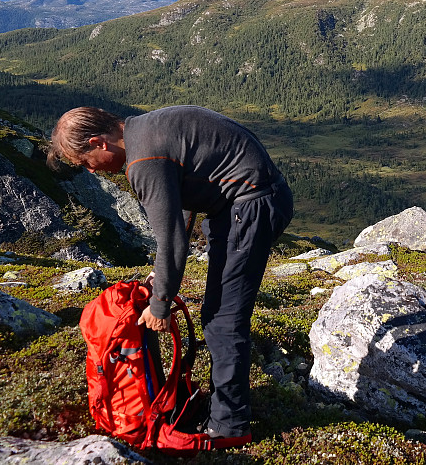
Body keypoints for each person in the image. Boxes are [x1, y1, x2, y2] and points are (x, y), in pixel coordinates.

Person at [48, 105, 293, 442]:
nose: (92, 171)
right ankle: (225, 408)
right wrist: (160, 279)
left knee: (223, 318)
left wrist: (160, 304)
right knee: (219, 313)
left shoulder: (142, 162)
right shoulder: (146, 129)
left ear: (98, 142)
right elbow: (188, 191)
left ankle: (230, 426)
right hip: (245, 203)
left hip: (250, 206)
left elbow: (172, 239)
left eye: (86, 162)